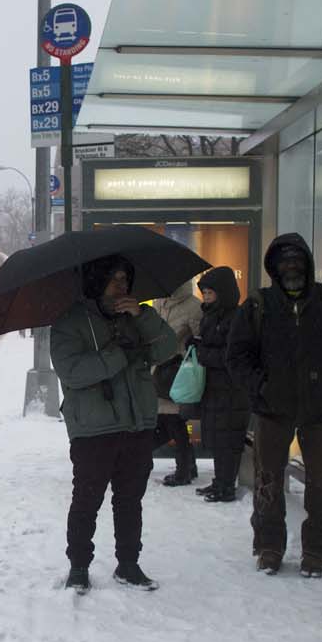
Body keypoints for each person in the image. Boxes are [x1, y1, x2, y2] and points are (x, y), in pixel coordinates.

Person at [50, 254, 180, 593]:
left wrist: (142, 316)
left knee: (129, 500)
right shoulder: (70, 322)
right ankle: (79, 566)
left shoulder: (136, 317)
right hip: (93, 429)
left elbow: (167, 347)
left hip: (135, 424)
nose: (121, 286)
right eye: (114, 279)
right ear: (96, 281)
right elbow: (72, 372)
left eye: (125, 279)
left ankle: (128, 564)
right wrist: (118, 354)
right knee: (87, 501)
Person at [227, 234, 322, 577]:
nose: (291, 266)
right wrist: (261, 387)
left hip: (321, 412)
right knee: (268, 482)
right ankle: (269, 547)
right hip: (272, 411)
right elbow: (237, 356)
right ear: (273, 268)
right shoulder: (257, 306)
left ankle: (318, 551)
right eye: (284, 261)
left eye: (297, 259)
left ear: (307, 264)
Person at [192, 266, 251, 503]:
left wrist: (201, 351)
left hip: (231, 390)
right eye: (204, 293)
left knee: (228, 439)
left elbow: (230, 356)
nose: (205, 297)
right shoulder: (210, 316)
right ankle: (220, 481)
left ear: (223, 292)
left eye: (210, 293)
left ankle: (227, 485)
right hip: (214, 388)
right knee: (217, 437)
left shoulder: (236, 318)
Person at [153, 280, 203, 486]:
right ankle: (189, 466)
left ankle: (184, 470)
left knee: (175, 421)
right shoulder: (159, 302)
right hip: (158, 368)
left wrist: (183, 342)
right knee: (168, 421)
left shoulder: (193, 305)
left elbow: (200, 338)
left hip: (177, 371)